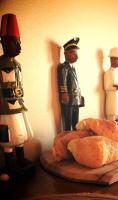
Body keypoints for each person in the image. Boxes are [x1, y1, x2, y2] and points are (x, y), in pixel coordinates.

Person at [0, 13, 35, 179]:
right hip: (4, 108)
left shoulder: (18, 65)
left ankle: (20, 158)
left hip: (18, 105)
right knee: (8, 135)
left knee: (20, 133)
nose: (19, 47)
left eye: (19, 42)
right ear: (4, 43)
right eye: (15, 43)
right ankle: (10, 163)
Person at [57, 37, 84, 131]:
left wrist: (79, 95)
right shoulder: (64, 67)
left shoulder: (72, 68)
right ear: (66, 53)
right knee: (68, 122)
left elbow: (75, 83)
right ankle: (67, 139)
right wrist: (64, 94)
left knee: (76, 123)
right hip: (68, 100)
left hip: (75, 99)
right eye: (74, 53)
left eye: (76, 53)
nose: (77, 56)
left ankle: (75, 140)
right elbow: (63, 81)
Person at [104, 47, 118, 120]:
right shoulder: (108, 73)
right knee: (111, 121)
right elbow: (106, 87)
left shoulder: (116, 73)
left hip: (117, 103)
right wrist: (116, 88)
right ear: (112, 60)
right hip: (112, 102)